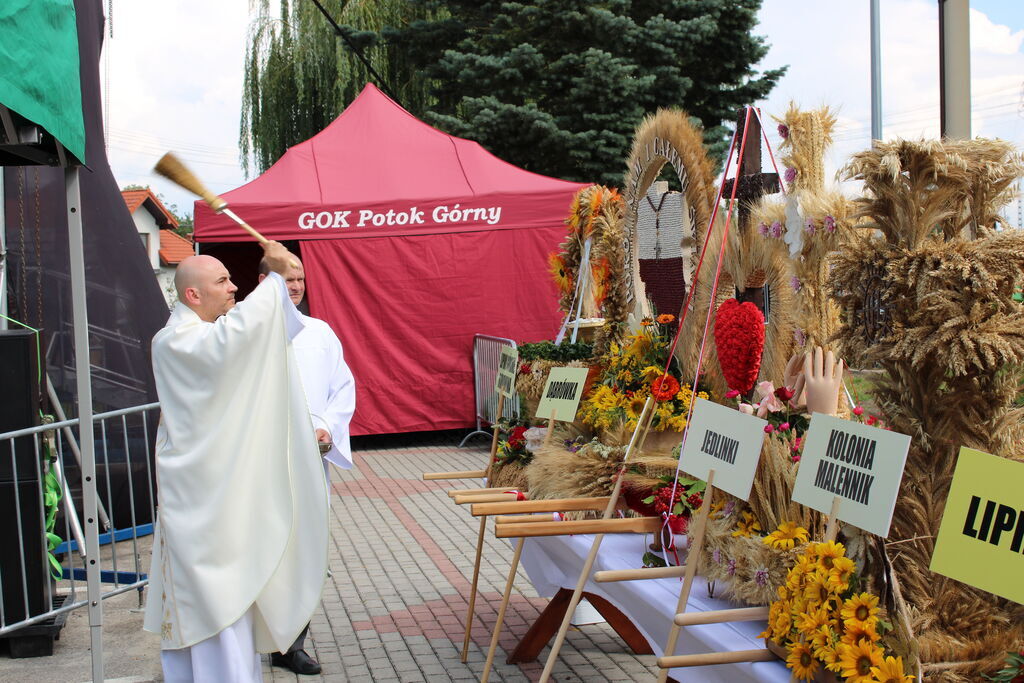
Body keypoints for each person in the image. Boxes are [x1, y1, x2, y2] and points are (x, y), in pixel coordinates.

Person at [143, 242, 328, 683]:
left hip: (218, 496)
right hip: (201, 503)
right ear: (192, 295)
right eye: (223, 281)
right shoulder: (177, 340)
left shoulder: (199, 334)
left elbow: (243, 340)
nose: (235, 287)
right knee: (214, 597)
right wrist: (278, 279)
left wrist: (279, 284)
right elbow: (232, 342)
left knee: (230, 593)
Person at [256, 254, 356, 675]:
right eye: (286, 279)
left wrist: (327, 429)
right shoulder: (247, 332)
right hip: (261, 461)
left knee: (304, 550)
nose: (295, 286)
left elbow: (342, 386)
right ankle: (250, 637)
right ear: (264, 282)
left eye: (300, 279)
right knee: (263, 550)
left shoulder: (320, 332)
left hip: (310, 460)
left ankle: (289, 645)